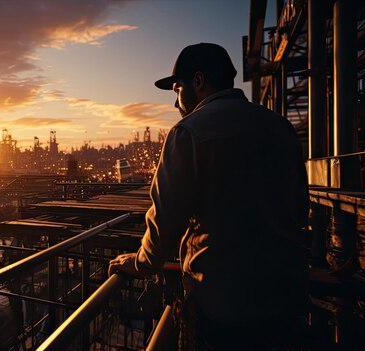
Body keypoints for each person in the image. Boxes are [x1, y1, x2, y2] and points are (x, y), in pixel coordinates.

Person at [108, 43, 309, 349]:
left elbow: (164, 220)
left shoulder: (188, 133)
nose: (176, 103)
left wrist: (139, 262)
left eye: (178, 89)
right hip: (286, 302)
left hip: (225, 309)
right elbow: (300, 208)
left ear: (198, 81)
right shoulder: (280, 127)